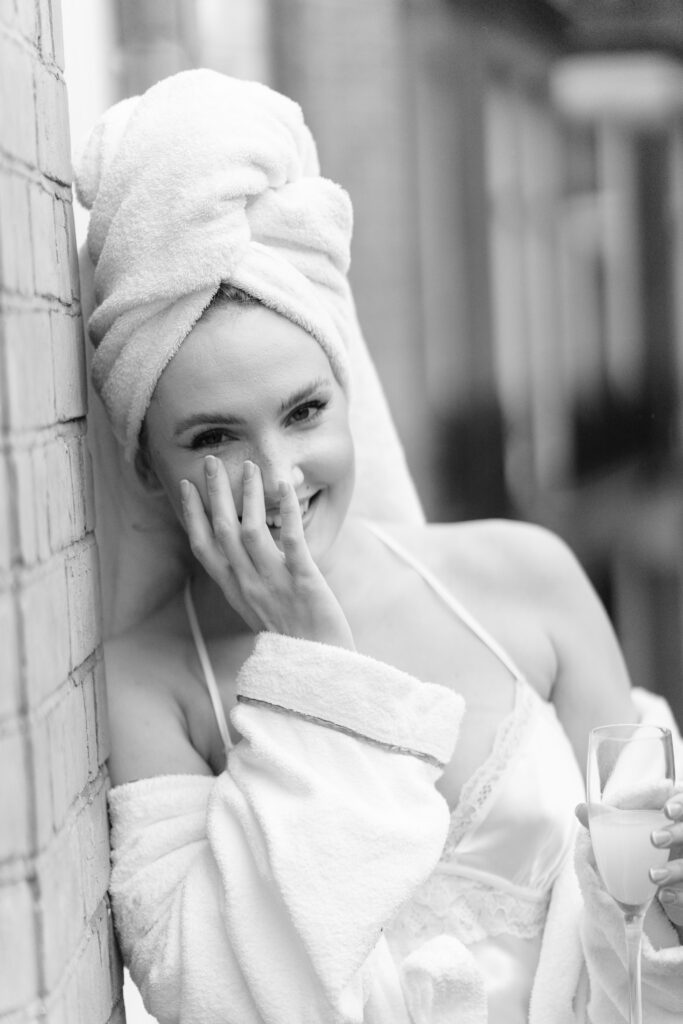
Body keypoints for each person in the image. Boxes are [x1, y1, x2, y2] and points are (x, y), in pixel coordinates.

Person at [75, 69, 683, 1024]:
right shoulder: (148, 686)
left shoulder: (527, 579)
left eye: (303, 411)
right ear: (147, 467)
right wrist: (317, 671)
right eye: (214, 437)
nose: (277, 477)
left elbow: (652, 946)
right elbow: (225, 1000)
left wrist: (669, 916)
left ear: (347, 399)